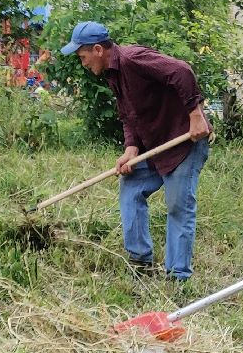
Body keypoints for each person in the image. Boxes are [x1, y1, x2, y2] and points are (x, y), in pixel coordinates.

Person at [61, 20, 212, 280]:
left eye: (83, 56)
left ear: (98, 49)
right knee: (130, 187)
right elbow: (128, 115)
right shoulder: (113, 74)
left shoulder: (134, 59)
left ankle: (178, 277)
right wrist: (131, 147)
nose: (83, 63)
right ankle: (140, 262)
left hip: (182, 142)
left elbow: (182, 71)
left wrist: (195, 114)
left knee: (178, 207)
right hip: (154, 146)